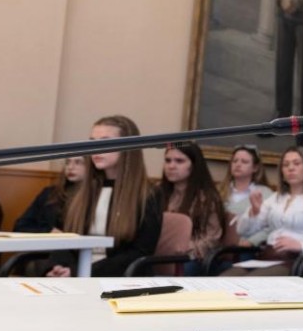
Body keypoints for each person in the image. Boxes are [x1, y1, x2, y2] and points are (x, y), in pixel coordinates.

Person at [47, 115, 162, 277]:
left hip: (119, 278)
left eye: (105, 141)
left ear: (128, 147)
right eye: (93, 142)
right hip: (75, 275)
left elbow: (138, 252)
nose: (97, 149)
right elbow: (64, 236)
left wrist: (78, 272)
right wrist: (61, 266)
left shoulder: (148, 194)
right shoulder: (80, 190)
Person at [225, 145, 303, 276]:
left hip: (295, 261)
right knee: (224, 280)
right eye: (286, 165)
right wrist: (254, 212)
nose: (290, 168)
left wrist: (302, 246)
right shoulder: (275, 198)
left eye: (296, 164)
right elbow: (243, 230)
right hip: (266, 257)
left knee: (249, 285)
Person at [158, 142, 225, 276]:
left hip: (191, 257)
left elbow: (213, 237)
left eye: (179, 161)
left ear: (194, 165)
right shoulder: (157, 192)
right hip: (158, 253)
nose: (171, 166)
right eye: (168, 160)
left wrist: (186, 248)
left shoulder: (207, 198)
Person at [217, 144, 274, 246]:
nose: (238, 164)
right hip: (218, 248)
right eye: (235, 161)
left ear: (255, 168)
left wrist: (251, 241)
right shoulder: (218, 191)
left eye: (244, 162)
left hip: (247, 249)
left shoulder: (266, 194)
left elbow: (271, 226)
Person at [13, 156, 85, 233]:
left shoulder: (95, 196)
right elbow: (20, 226)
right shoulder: (49, 193)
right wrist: (48, 231)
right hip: (49, 243)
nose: (70, 167)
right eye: (67, 162)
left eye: (78, 162)